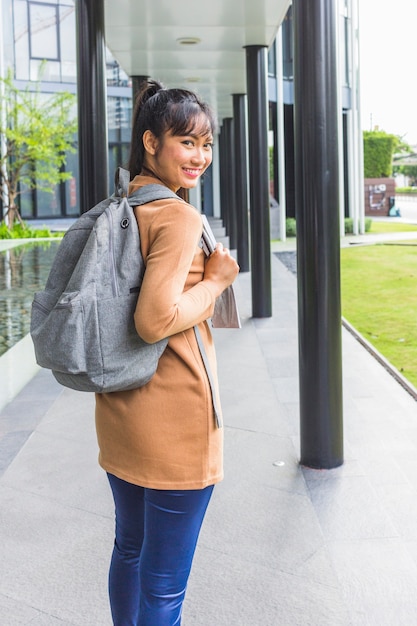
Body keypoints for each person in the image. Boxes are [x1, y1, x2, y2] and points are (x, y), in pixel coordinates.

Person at [95, 78, 239, 626]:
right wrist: (218, 280)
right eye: (186, 142)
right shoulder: (178, 217)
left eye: (206, 145)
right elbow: (154, 321)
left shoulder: (128, 201)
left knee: (129, 550)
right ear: (151, 141)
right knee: (165, 591)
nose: (199, 156)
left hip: (121, 410)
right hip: (176, 420)